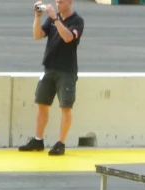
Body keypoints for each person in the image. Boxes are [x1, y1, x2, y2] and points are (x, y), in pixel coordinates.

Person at [18, 0, 84, 156]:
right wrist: (38, 17)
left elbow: (68, 38)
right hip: (49, 68)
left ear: (69, 2)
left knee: (66, 106)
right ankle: (38, 139)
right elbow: (37, 35)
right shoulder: (52, 19)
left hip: (66, 70)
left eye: (61, 2)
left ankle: (61, 142)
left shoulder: (77, 21)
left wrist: (55, 19)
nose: (58, 4)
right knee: (42, 103)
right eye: (57, 2)